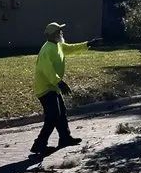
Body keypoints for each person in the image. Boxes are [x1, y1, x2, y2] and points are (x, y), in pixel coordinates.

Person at [30, 22, 97, 156]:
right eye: (59, 31)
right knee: (53, 116)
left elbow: (71, 48)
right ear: (54, 34)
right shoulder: (47, 49)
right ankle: (39, 144)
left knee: (61, 112)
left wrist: (88, 44)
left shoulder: (58, 45)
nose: (61, 33)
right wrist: (59, 82)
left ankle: (65, 138)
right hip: (45, 88)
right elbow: (47, 70)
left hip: (52, 86)